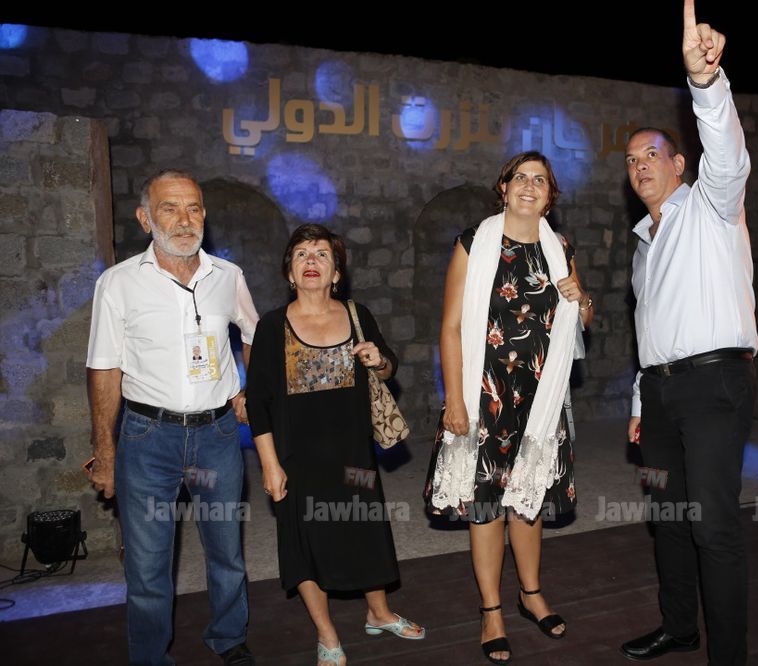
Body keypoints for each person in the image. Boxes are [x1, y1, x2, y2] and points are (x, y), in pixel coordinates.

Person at [619, 2, 757, 664]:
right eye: (631, 159)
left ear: (679, 165)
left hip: (713, 386)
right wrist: (640, 401)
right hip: (661, 394)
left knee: (712, 527)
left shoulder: (711, 204)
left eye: (652, 154)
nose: (640, 165)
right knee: (668, 520)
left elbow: (727, 153)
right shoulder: (643, 242)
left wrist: (705, 82)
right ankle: (679, 627)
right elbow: (650, 328)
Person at [424, 151, 593, 664]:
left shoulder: (561, 249)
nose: (529, 185)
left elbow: (583, 321)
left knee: (528, 498)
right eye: (520, 176)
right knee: (485, 504)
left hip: (541, 398)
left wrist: (583, 299)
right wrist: (455, 400)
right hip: (484, 395)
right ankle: (492, 610)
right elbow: (450, 327)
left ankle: (531, 593)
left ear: (550, 197)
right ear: (503, 188)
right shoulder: (473, 244)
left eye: (540, 180)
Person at [86, 169, 258, 665]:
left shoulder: (228, 276)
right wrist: (104, 452)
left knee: (226, 552)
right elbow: (104, 369)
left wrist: (251, 390)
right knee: (147, 566)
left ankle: (229, 637)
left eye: (194, 208)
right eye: (170, 208)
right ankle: (150, 656)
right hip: (147, 438)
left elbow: (254, 335)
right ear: (145, 218)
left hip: (217, 437)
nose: (185, 220)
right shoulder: (117, 283)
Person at [245, 224, 423, 666]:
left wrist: (379, 361)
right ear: (290, 273)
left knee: (366, 530)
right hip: (297, 459)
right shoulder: (272, 326)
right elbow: (259, 403)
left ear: (336, 273)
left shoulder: (357, 314)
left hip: (352, 453)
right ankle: (326, 634)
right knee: (304, 544)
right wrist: (270, 464)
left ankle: (379, 613)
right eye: (302, 254)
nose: (311, 261)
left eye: (322, 254)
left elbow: (388, 366)